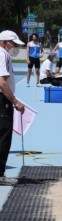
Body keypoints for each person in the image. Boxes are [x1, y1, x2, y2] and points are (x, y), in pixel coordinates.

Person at [0, 30, 25, 185]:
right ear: (5, 42)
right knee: (3, 137)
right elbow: (2, 82)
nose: (15, 47)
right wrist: (15, 101)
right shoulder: (2, 55)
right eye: (14, 43)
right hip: (2, 101)